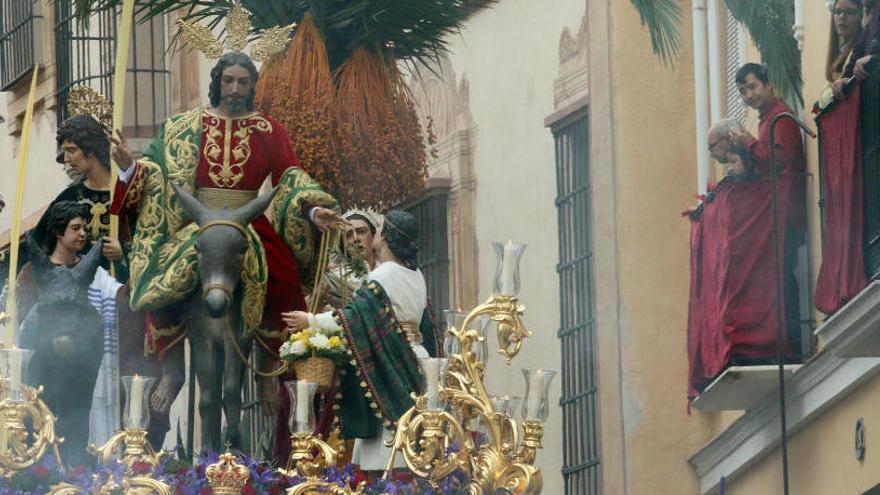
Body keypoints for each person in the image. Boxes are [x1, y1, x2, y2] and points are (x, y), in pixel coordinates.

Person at [109, 51, 343, 452]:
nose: (235, 89)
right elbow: (157, 173)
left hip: (249, 219)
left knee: (284, 278)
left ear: (253, 86)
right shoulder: (184, 126)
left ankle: (268, 369)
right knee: (163, 278)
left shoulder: (269, 130)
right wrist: (130, 166)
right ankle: (171, 368)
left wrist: (314, 208)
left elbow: (290, 175)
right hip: (197, 220)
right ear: (217, 82)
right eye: (229, 81)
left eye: (243, 82)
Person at [282, 210, 442, 473]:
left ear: (386, 236)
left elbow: (355, 316)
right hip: (417, 356)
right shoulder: (417, 275)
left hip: (391, 361)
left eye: (378, 229)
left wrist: (310, 320)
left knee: (388, 442)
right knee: (415, 436)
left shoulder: (384, 274)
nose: (375, 233)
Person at [17, 201, 117, 467]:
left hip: (82, 362)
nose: (83, 233)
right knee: (42, 416)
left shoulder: (96, 272)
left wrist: (122, 255)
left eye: (85, 228)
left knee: (77, 418)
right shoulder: (32, 273)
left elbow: (119, 298)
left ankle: (77, 473)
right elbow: (22, 322)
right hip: (44, 365)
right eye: (76, 228)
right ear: (59, 233)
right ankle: (40, 472)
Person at [729, 62, 807, 359]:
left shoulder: (779, 117)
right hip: (775, 213)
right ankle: (780, 344)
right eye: (742, 91)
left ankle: (790, 345)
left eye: (752, 87)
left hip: (786, 212)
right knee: (777, 277)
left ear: (768, 84)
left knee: (783, 279)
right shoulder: (766, 120)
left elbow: (780, 161)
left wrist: (749, 144)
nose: (748, 95)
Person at [31, 114, 127, 280]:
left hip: (121, 290)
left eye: (71, 150)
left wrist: (122, 253)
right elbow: (36, 243)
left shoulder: (126, 192)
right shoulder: (69, 197)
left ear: (90, 149)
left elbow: (148, 240)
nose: (66, 159)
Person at [825, 0, 864, 105]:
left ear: (861, 16)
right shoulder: (840, 51)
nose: (842, 16)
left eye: (850, 12)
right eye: (838, 11)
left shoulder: (862, 50)